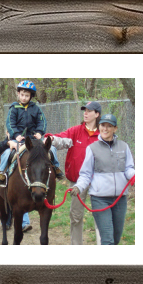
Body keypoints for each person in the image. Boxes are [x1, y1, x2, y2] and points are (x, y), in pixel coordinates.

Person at [0, 80, 64, 232]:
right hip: (18, 139)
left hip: (34, 139)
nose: (24, 97)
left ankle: (56, 168)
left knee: (52, 150)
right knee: (7, 152)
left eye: (27, 95)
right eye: (22, 94)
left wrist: (39, 132)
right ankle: (1, 173)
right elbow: (10, 124)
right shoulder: (13, 109)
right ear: (18, 94)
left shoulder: (36, 109)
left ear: (31, 96)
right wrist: (16, 135)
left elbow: (42, 122)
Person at [70, 114, 135, 245]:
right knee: (107, 239)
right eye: (103, 125)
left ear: (115, 128)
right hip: (100, 198)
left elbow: (128, 168)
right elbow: (86, 174)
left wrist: (134, 175)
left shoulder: (124, 147)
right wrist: (78, 187)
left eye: (109, 126)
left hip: (120, 199)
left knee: (116, 239)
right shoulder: (92, 148)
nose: (105, 129)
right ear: (99, 127)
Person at [44, 101, 102, 245]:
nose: (86, 113)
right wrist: (51, 139)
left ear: (97, 114)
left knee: (101, 216)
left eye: (89, 111)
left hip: (99, 182)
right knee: (76, 216)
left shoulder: (103, 134)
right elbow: (61, 139)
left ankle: (104, 247)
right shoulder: (76, 131)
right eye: (85, 110)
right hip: (77, 182)